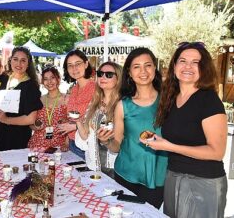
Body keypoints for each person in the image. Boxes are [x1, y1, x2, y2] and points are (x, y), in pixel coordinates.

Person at [143, 42, 227, 217]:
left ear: (204, 68)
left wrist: (169, 147)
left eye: (195, 62)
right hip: (173, 177)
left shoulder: (208, 100)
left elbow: (217, 152)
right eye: (182, 61)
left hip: (203, 183)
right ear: (174, 66)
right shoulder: (171, 98)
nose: (188, 66)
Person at [98, 48, 167, 208]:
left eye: (147, 65)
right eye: (136, 66)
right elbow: (116, 146)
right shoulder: (123, 105)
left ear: (154, 69)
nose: (143, 71)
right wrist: (106, 141)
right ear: (129, 72)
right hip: (126, 175)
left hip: (159, 177)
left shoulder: (168, 101)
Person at [0, 47, 43, 151]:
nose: (19, 64)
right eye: (15, 59)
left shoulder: (31, 86)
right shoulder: (2, 78)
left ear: (28, 63)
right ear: (10, 60)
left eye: (23, 60)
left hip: (18, 138)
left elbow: (30, 119)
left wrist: (6, 119)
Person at [75, 62, 122, 178]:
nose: (103, 77)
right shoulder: (94, 103)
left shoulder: (123, 104)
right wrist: (77, 121)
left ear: (119, 78)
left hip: (115, 167)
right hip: (94, 165)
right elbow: (85, 136)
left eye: (109, 74)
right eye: (100, 74)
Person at [58, 49, 95, 159]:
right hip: (72, 144)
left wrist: (74, 126)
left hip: (86, 146)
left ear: (86, 64)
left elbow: (99, 119)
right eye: (70, 65)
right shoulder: (74, 89)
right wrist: (66, 139)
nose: (74, 69)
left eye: (78, 64)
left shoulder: (96, 89)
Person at [28, 65, 69, 151]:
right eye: (45, 79)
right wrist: (36, 127)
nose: (49, 82)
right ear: (42, 82)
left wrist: (66, 143)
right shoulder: (39, 99)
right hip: (37, 144)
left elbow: (72, 123)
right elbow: (31, 124)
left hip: (59, 146)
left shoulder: (67, 99)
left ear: (58, 79)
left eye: (52, 78)